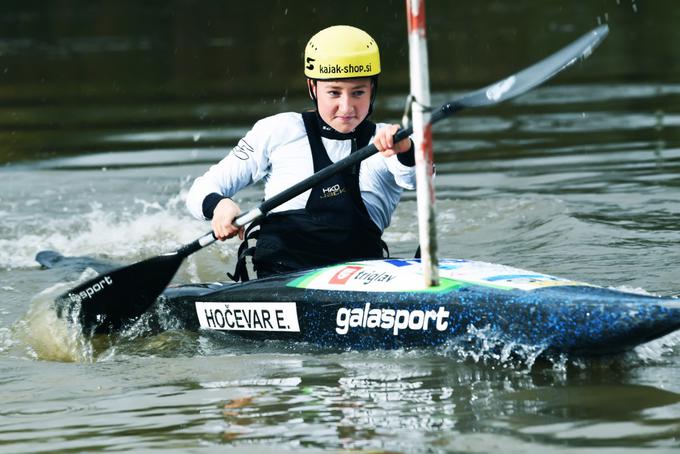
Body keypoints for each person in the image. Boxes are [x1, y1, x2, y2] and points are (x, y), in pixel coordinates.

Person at [186, 25, 416, 280]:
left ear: (373, 89)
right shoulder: (278, 131)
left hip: (362, 281)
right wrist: (219, 205)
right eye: (334, 93)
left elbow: (419, 179)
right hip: (280, 278)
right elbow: (200, 190)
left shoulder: (391, 141)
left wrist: (405, 150)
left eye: (358, 92)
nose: (347, 106)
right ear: (313, 88)